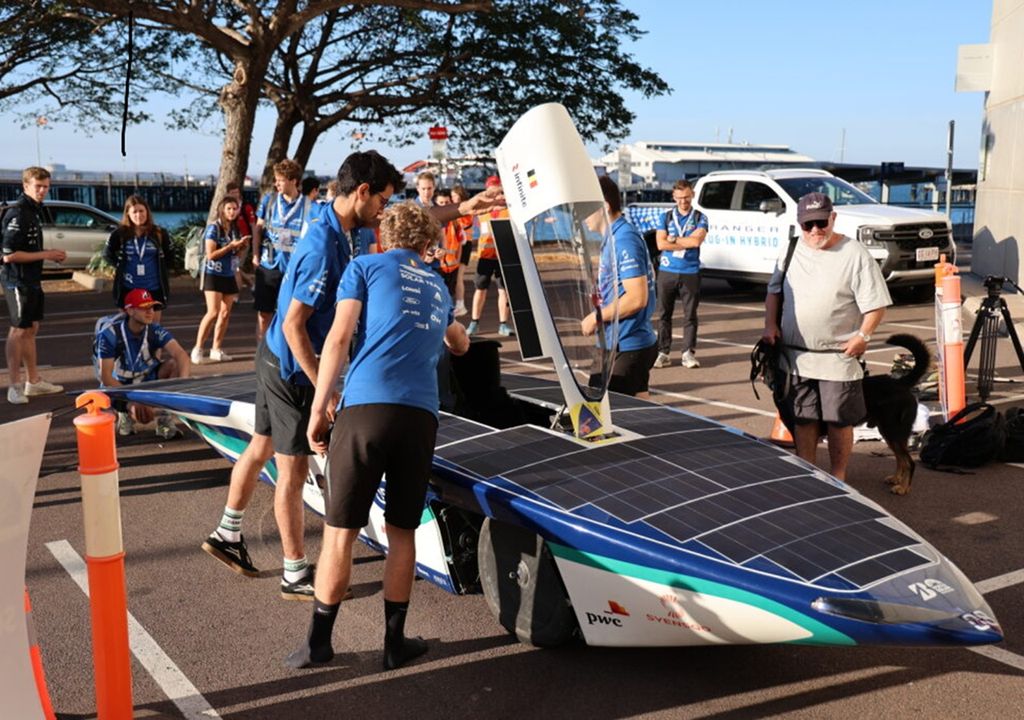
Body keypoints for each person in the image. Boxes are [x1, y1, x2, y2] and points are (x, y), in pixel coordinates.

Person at [201, 151, 504, 599]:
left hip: (275, 357)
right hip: (291, 365)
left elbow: (404, 224)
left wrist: (463, 208)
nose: (384, 209)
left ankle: (228, 531)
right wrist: (324, 391)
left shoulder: (350, 226)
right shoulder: (322, 246)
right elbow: (294, 325)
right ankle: (294, 572)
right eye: (381, 199)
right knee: (292, 467)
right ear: (362, 192)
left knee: (261, 445)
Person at [286, 201, 470, 671]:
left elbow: (338, 338)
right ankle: (394, 643)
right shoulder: (437, 284)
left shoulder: (365, 267)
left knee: (341, 531)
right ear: (426, 243)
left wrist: (318, 410)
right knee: (402, 531)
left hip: (367, 408)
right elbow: (460, 342)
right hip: (420, 418)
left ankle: (318, 643)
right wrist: (451, 333)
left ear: (386, 237)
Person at [762, 192, 891, 480]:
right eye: (808, 225)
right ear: (799, 224)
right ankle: (807, 475)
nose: (815, 230)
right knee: (803, 418)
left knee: (838, 421)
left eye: (821, 222)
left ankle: (838, 477)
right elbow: (773, 292)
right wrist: (770, 325)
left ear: (833, 218)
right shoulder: (791, 249)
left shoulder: (854, 253)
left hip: (838, 358)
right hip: (796, 357)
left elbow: (876, 304)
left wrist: (863, 335)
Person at [580, 176, 658, 397]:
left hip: (625, 344)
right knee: (638, 407)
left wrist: (596, 317)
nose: (581, 217)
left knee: (600, 408)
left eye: (586, 209)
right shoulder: (614, 236)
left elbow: (636, 298)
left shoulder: (624, 239)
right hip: (622, 342)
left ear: (604, 206)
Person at [2, 166, 66, 404]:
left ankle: (34, 381)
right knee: (18, 330)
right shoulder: (19, 213)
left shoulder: (32, 210)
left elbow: (25, 248)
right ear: (26, 186)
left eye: (46, 187)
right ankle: (14, 386)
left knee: (31, 329)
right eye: (38, 186)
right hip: (17, 280)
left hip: (31, 279)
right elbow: (9, 255)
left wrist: (47, 254)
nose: (42, 191)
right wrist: (46, 254)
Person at [97, 288, 191, 439]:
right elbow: (106, 377)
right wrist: (133, 399)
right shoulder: (109, 335)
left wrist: (182, 387)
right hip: (120, 386)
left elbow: (182, 356)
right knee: (142, 414)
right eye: (144, 308)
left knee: (175, 365)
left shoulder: (155, 330)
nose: (150, 312)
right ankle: (124, 412)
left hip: (147, 379)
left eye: (152, 307)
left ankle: (164, 419)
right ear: (130, 311)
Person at [253, 159, 312, 340]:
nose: (276, 184)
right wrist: (255, 255)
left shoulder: (308, 205)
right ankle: (261, 351)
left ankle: (285, 351)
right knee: (264, 314)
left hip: (293, 268)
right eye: (276, 180)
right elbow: (258, 228)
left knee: (290, 316)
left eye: (280, 180)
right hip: (269, 264)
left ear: (293, 181)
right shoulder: (269, 201)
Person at [653, 179, 707, 369]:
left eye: (686, 197)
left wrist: (673, 239)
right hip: (667, 271)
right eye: (679, 198)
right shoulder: (666, 217)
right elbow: (660, 244)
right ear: (674, 197)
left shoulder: (700, 217)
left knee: (690, 315)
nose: (683, 201)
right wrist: (684, 241)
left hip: (690, 271)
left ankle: (688, 353)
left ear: (692, 195)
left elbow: (696, 242)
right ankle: (663, 352)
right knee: (663, 314)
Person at [191, 196, 249, 364]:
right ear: (222, 210)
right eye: (229, 208)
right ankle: (198, 348)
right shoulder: (214, 228)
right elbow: (211, 255)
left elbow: (235, 255)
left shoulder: (234, 229)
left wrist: (240, 247)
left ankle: (216, 349)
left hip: (228, 273)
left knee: (225, 313)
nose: (232, 212)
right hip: (213, 273)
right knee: (213, 312)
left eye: (235, 209)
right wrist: (230, 246)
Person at [103, 195, 173, 323]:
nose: (138, 215)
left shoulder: (159, 233)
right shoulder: (120, 234)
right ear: (128, 214)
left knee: (153, 328)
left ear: (147, 212)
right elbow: (107, 254)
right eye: (134, 212)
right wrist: (120, 267)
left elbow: (170, 256)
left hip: (153, 288)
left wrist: (162, 272)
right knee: (128, 328)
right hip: (128, 288)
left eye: (141, 211)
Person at [467, 175, 513, 337]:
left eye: (497, 190)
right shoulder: (482, 210)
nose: (494, 194)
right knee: (480, 289)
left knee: (504, 291)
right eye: (491, 191)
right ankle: (474, 323)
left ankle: (503, 324)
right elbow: (467, 213)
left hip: (503, 256)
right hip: (485, 256)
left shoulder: (509, 209)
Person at [226, 181, 257, 294]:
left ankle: (236, 295)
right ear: (228, 194)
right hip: (231, 242)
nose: (235, 195)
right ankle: (250, 281)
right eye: (232, 193)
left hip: (244, 242)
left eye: (237, 192)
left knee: (235, 268)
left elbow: (253, 225)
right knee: (234, 267)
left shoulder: (245, 207)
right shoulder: (227, 207)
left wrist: (254, 242)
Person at [432, 188, 463, 299]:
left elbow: (460, 243)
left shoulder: (455, 222)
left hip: (452, 267)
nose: (444, 206)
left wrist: (458, 261)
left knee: (449, 299)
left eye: (447, 203)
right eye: (441, 203)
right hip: (437, 266)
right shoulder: (433, 222)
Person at [450, 185, 474, 317]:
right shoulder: (456, 209)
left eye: (455, 195)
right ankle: (457, 304)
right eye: (452, 196)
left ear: (460, 196)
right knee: (454, 276)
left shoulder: (465, 210)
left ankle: (460, 304)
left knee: (459, 276)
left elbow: (463, 226)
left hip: (465, 245)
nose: (453, 198)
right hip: (458, 245)